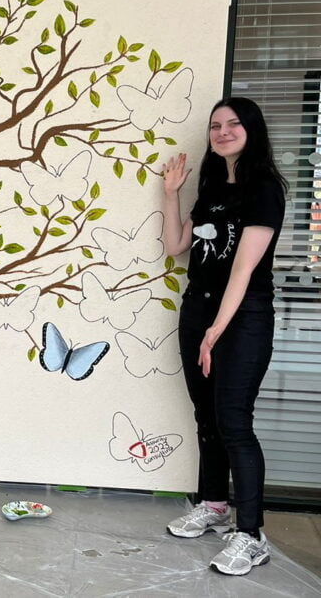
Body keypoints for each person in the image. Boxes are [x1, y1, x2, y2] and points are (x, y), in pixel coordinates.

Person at [161, 97, 287, 576]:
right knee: (206, 417)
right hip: (198, 310)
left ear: (252, 130)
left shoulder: (265, 188)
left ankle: (251, 534)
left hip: (244, 317)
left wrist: (217, 329)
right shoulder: (212, 186)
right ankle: (214, 506)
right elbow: (176, 248)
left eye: (234, 123)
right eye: (216, 125)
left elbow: (243, 268)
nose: (223, 131)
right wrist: (171, 194)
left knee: (234, 421)